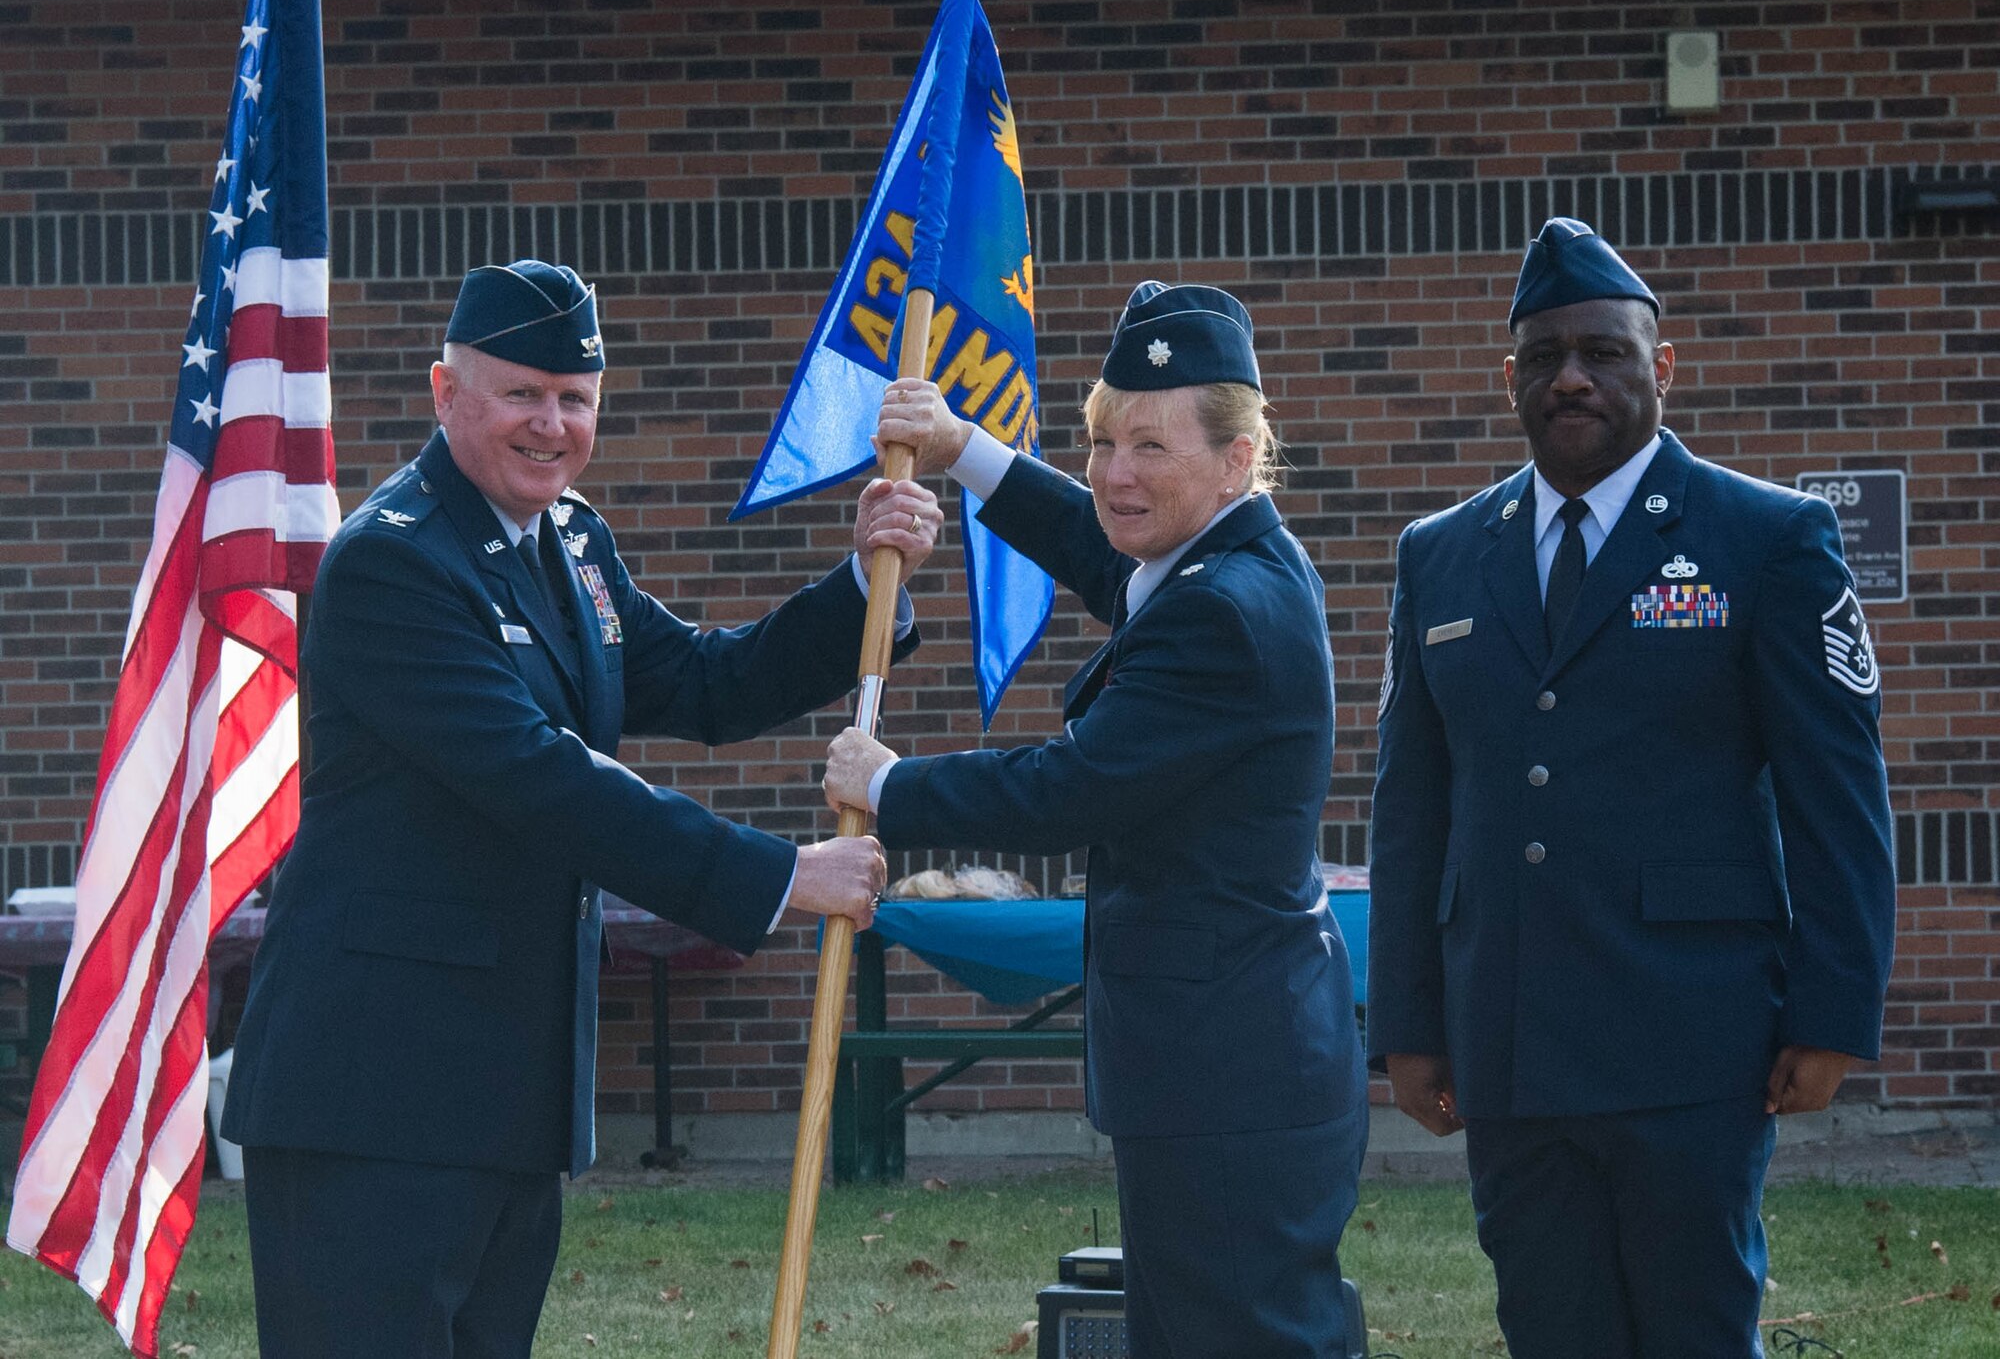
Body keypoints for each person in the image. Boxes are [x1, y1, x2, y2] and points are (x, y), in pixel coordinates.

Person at [221, 259, 944, 1358]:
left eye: (573, 398)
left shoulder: (569, 543)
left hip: (506, 1103)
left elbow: (706, 681)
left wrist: (861, 586)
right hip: (374, 1106)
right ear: (444, 392)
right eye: (520, 392)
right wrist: (777, 876)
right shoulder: (391, 564)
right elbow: (540, 779)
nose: (549, 423)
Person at [1367, 219, 1896, 1358]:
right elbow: (1412, 804)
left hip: (1690, 1039)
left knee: (1693, 1331)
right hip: (1507, 1041)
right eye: (1543, 354)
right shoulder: (1441, 554)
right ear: (1506, 376)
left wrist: (1831, 1011)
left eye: (1601, 352)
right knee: (1548, 1331)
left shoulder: (1765, 539)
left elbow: (1835, 796)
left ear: (1661, 367)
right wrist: (1407, 1021)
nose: (1569, 376)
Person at [823, 282, 1369, 1359]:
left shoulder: (1221, 607)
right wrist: (961, 446)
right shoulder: (1223, 562)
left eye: (1150, 446)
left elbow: (1069, 789)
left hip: (1228, 1073)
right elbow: (1103, 546)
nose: (1117, 473)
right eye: (1102, 440)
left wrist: (889, 785)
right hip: (1231, 1058)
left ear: (1237, 456)